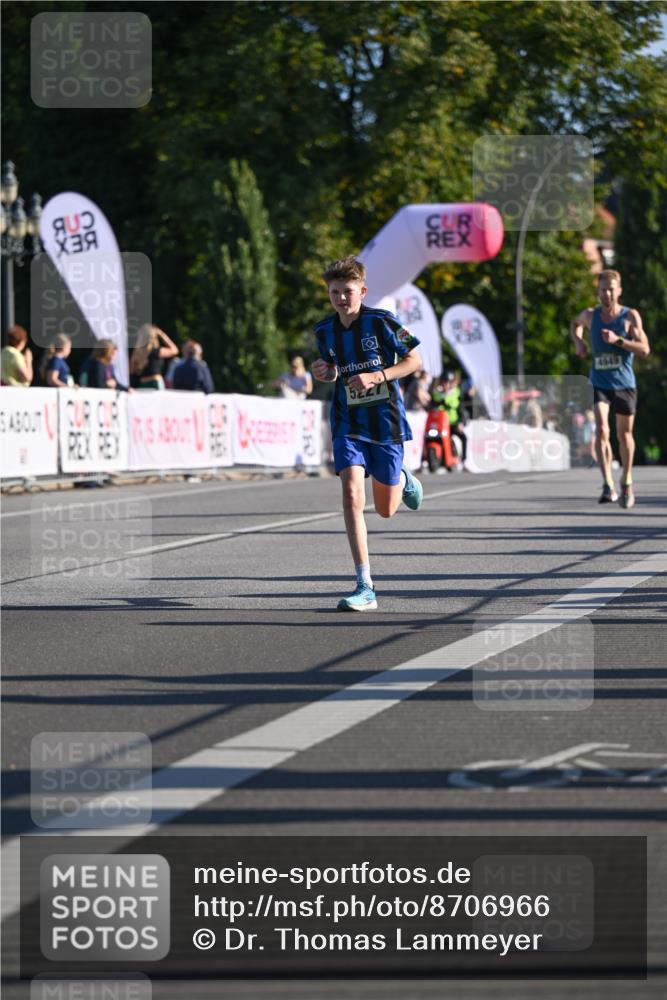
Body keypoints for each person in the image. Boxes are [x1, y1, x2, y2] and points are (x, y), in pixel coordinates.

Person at [312, 255, 423, 612]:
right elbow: (333, 369)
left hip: (385, 421)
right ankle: (365, 585)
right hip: (348, 423)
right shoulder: (324, 331)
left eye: (347, 291)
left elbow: (415, 361)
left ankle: (402, 477)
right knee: (350, 496)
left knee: (386, 510)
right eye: (334, 292)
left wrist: (378, 376)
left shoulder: (383, 322)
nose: (341, 299)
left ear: (363, 290)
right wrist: (325, 372)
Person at [570, 269, 650, 508]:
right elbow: (575, 324)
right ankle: (608, 484)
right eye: (603, 289)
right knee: (602, 431)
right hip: (600, 382)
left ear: (619, 290)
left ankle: (626, 480)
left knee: (624, 436)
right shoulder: (590, 315)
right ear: (598, 291)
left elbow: (645, 349)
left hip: (625, 384)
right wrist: (579, 343)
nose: (607, 294)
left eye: (611, 289)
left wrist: (619, 341)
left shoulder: (629, 316)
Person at [430, 371, 468, 465]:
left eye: (447, 382)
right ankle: (426, 460)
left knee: (463, 437)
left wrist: (461, 422)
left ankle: (463, 460)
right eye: (443, 381)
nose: (445, 384)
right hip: (440, 425)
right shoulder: (436, 393)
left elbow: (461, 409)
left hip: (453, 423)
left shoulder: (456, 393)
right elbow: (430, 407)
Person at [130, 324, 178, 389]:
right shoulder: (157, 351)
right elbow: (175, 350)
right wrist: (162, 334)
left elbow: (132, 372)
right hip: (155, 382)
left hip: (142, 383)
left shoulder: (136, 353)